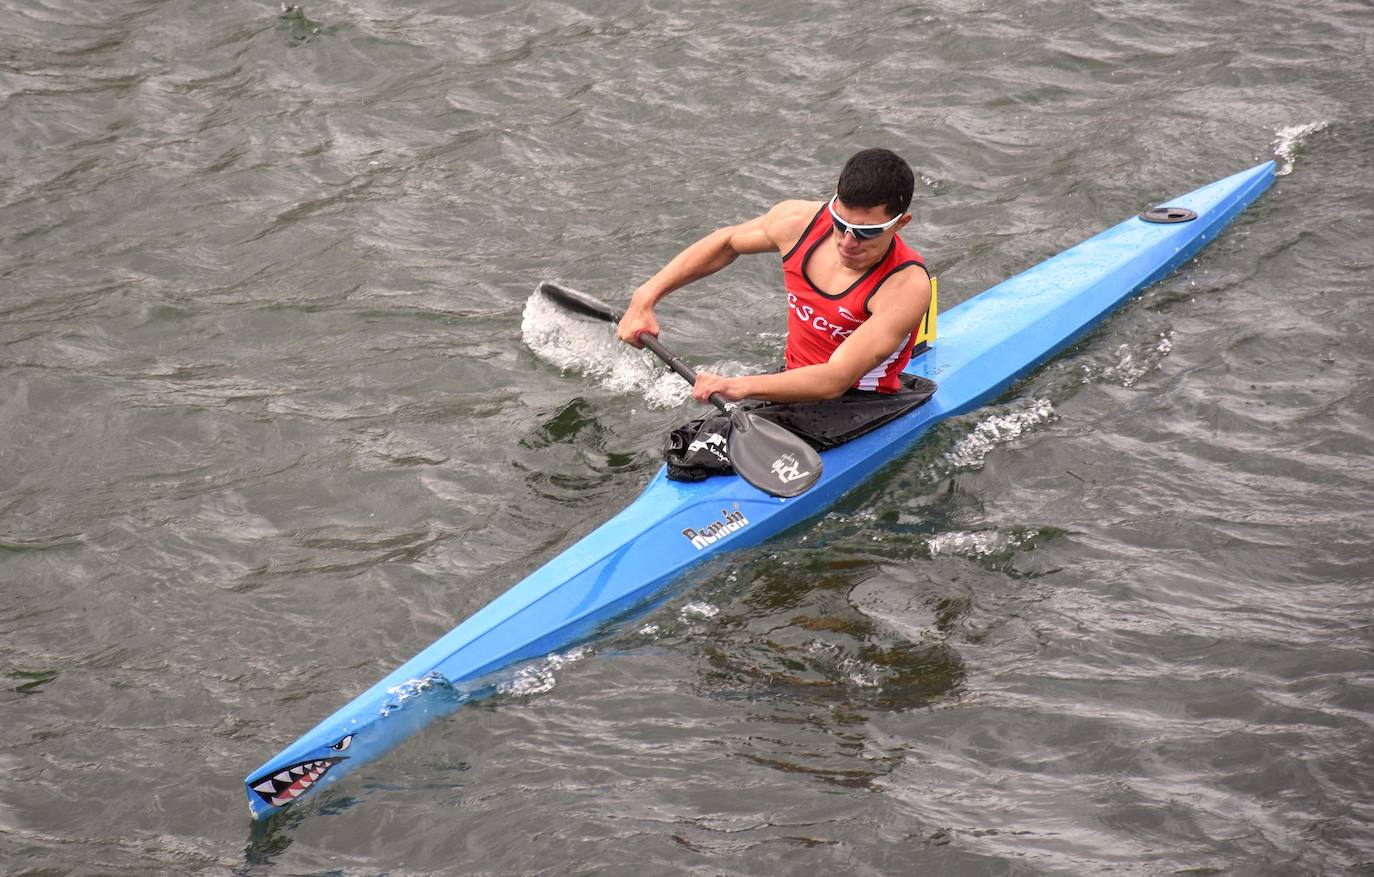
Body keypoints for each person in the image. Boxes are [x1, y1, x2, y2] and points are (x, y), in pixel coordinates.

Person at [617, 148, 931, 405]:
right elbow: (726, 242)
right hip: (793, 382)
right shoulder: (798, 221)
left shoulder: (905, 287)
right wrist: (644, 299)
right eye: (840, 222)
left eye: (866, 231)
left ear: (900, 223)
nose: (848, 242)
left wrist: (739, 387)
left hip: (857, 399)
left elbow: (835, 379)